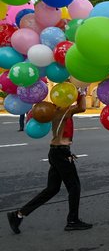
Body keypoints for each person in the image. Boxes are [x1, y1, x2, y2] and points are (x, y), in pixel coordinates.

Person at [8, 88, 91, 234]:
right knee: (74, 187)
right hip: (61, 153)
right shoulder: (63, 111)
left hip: (55, 152)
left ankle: (19, 214)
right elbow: (83, 107)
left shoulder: (54, 111)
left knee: (52, 189)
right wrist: (82, 92)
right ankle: (72, 221)